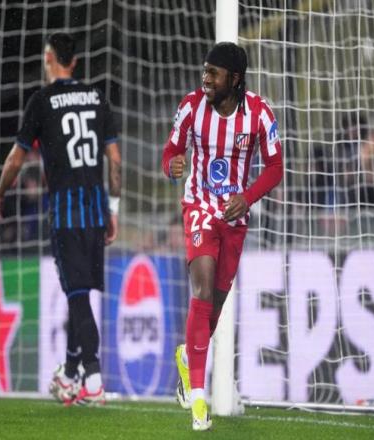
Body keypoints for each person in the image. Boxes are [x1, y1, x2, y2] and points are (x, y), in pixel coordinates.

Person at [0, 32, 121, 406]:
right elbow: (115, 161)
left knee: (77, 297)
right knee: (79, 295)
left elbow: (16, 159)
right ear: (74, 61)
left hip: (66, 214)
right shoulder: (96, 97)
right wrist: (112, 209)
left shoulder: (43, 101)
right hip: (96, 210)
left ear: (49, 58)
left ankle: (93, 379)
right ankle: (70, 372)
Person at [161, 42, 283, 431]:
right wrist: (172, 165)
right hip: (199, 208)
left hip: (234, 217)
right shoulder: (191, 106)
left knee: (212, 307)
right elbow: (170, 151)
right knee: (201, 289)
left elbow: (275, 167)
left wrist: (247, 198)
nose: (206, 79)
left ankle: (187, 357)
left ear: (234, 78)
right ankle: (199, 401)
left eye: (213, 73)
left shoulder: (259, 113)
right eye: (205, 71)